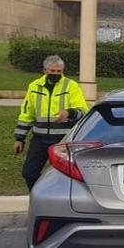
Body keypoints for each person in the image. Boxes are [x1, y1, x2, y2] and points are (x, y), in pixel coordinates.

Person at [14, 55, 89, 190]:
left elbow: (83, 111)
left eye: (59, 71)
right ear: (45, 70)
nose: (56, 74)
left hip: (63, 140)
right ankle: (39, 196)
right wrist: (20, 138)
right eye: (52, 71)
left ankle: (60, 200)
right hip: (40, 139)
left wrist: (69, 112)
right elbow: (27, 114)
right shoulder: (34, 86)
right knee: (29, 173)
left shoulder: (71, 86)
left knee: (67, 175)